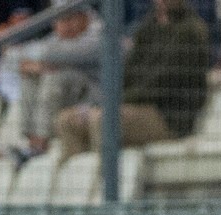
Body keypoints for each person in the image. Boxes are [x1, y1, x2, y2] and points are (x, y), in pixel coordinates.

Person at [54, 0, 207, 162]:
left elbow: (164, 83)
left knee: (104, 120)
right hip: (133, 106)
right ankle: (77, 183)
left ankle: (105, 182)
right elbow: (127, 72)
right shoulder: (148, 26)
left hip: (168, 117)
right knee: (68, 120)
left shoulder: (191, 30)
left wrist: (118, 103)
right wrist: (112, 102)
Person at [5, 6, 99, 160]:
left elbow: (59, 54)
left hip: (94, 102)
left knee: (55, 77)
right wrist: (36, 65)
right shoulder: (55, 40)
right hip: (67, 104)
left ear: (84, 18)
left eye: (70, 19)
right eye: (60, 20)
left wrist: (39, 62)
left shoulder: (98, 35)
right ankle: (32, 142)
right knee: (30, 78)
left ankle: (41, 143)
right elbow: (11, 59)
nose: (65, 25)